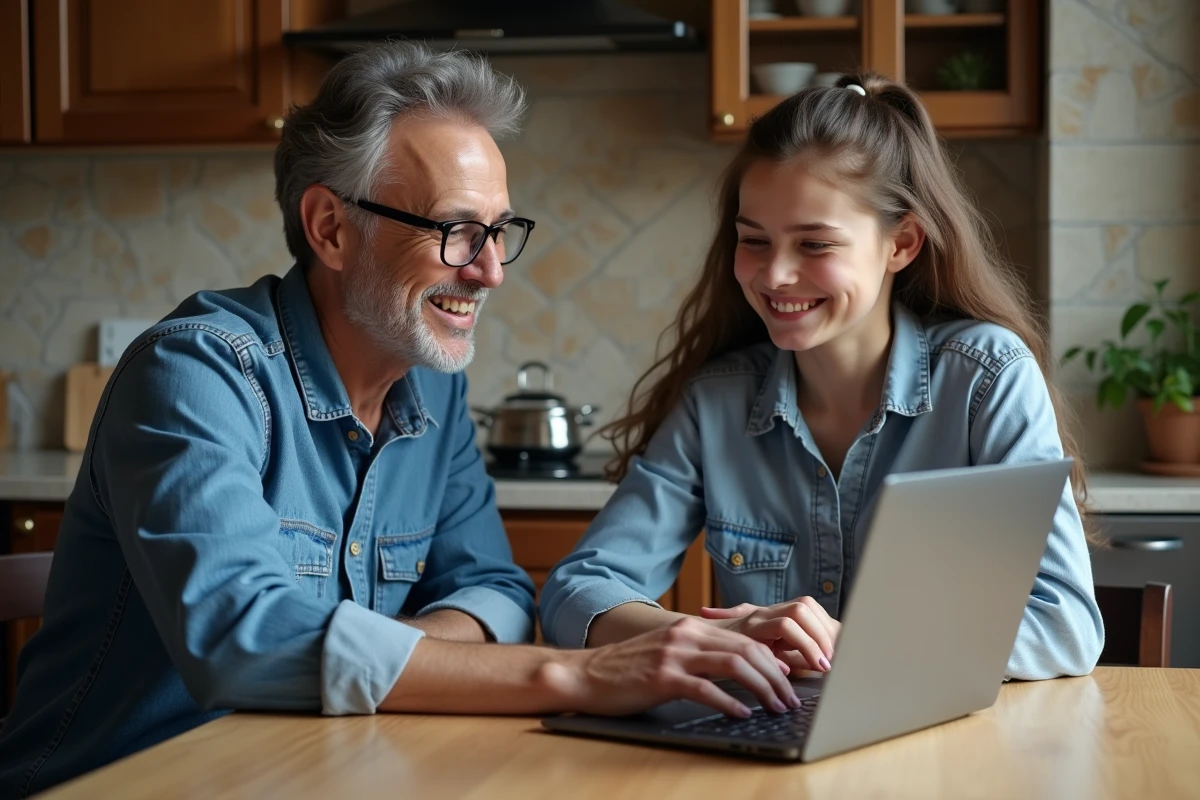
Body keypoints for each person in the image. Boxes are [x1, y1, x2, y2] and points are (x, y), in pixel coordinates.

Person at [0, 43, 800, 797]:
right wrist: (576, 675)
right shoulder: (197, 372)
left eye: (499, 232)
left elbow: (492, 588)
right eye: (457, 231)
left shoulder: (433, 389)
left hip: (310, 770)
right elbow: (243, 641)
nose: (489, 270)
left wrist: (369, 652)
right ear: (331, 228)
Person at [539, 74, 1105, 681]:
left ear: (902, 244)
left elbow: (1064, 626)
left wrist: (859, 646)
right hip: (766, 742)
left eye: (814, 244)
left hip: (946, 756)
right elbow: (576, 592)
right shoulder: (717, 401)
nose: (775, 275)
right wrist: (717, 637)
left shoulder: (987, 380)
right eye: (754, 240)